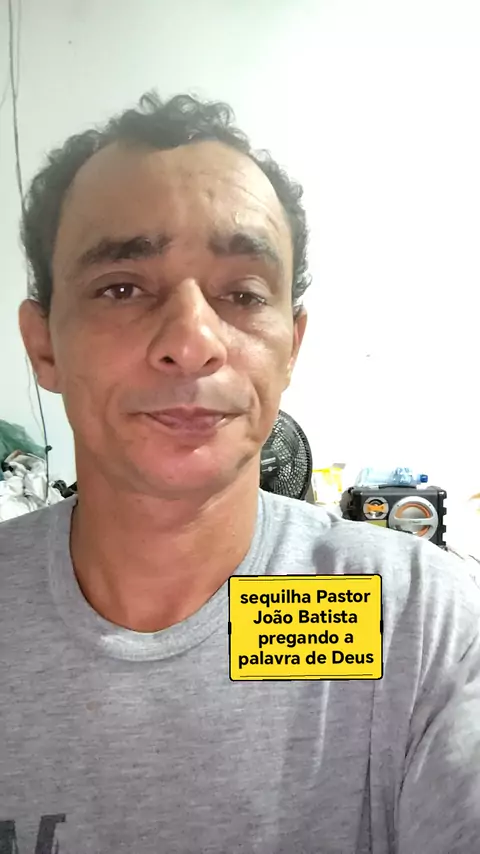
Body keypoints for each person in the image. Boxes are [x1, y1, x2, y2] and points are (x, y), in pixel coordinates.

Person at [1, 93, 479, 854]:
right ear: (44, 346)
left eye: (243, 294)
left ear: (290, 348)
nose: (193, 342)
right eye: (122, 287)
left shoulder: (424, 625)